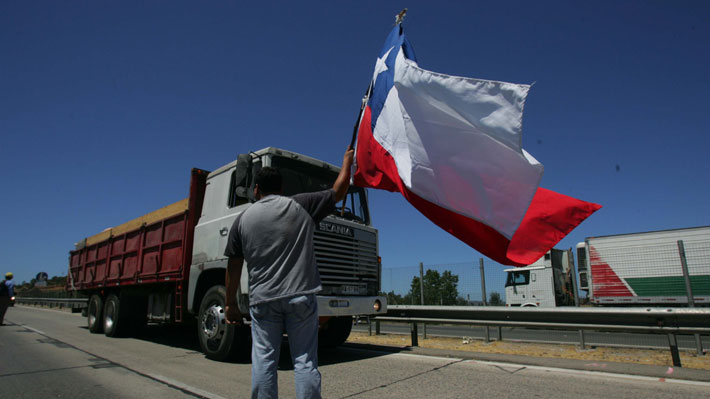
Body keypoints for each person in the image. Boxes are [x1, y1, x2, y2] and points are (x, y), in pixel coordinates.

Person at [224, 147, 354, 399]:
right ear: (281, 189)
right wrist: (346, 162)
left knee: (264, 360)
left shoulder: (242, 219)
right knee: (305, 361)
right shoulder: (301, 205)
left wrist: (230, 304)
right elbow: (338, 191)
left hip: (263, 300)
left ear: (255, 190)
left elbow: (234, 265)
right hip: (300, 298)